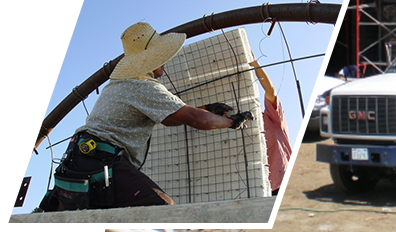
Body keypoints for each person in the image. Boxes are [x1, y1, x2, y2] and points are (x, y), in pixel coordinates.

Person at [39, 22, 254, 212]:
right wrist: (232, 122)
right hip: (101, 162)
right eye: (160, 56)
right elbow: (195, 119)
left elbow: (170, 118)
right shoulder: (142, 86)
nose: (164, 61)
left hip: (78, 161)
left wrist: (207, 107)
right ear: (149, 59)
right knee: (163, 210)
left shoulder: (120, 85)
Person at [249, 59, 292, 196]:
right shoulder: (245, 126)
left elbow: (270, 91)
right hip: (262, 190)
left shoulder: (272, 117)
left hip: (282, 182)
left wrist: (255, 65)